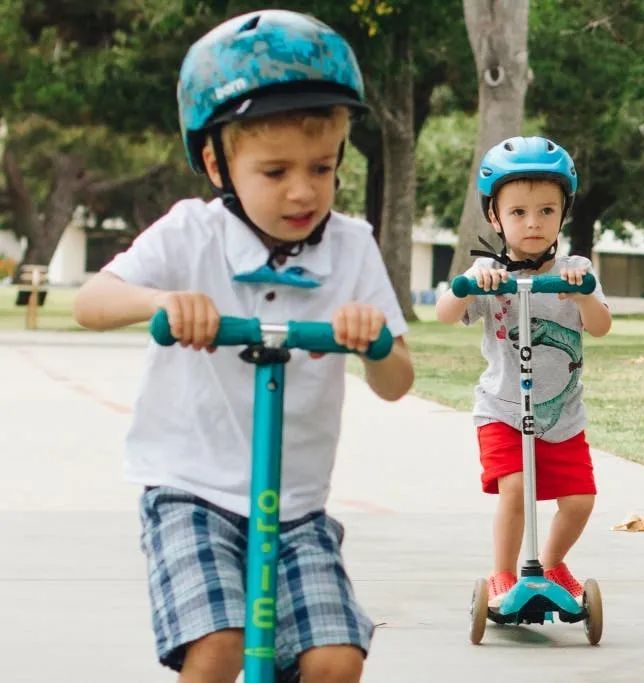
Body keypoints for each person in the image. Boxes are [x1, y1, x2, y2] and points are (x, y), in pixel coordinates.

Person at [72, 10, 413, 683]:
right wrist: (162, 302)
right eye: (275, 169)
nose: (302, 189)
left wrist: (374, 343)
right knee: (219, 646)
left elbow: (398, 377)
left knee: (336, 661)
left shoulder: (352, 247)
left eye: (322, 167)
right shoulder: (189, 234)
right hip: (190, 489)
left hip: (296, 505)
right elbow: (90, 302)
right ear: (215, 161)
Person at [435, 136, 612, 607]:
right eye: (518, 212)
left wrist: (584, 297)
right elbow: (445, 313)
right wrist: (469, 284)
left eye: (546, 211)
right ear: (494, 216)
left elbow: (601, 326)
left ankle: (552, 564)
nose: (533, 223)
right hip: (503, 410)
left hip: (562, 416)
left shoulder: (576, 270)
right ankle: (502, 576)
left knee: (579, 502)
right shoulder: (488, 274)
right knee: (514, 491)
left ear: (563, 214)